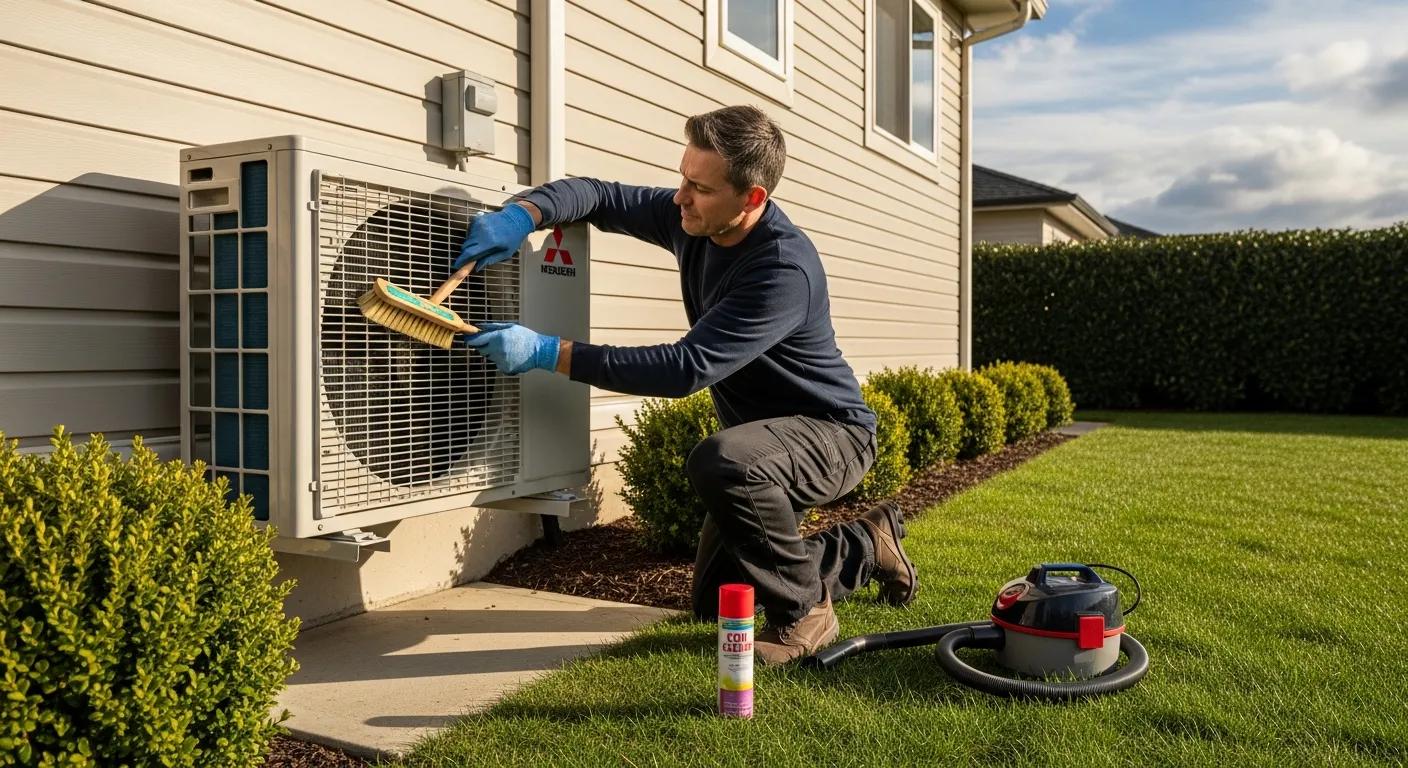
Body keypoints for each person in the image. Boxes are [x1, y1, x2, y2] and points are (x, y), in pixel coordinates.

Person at [457, 105, 917, 665]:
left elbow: (684, 369)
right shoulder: (693, 218)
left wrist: (546, 352)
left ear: (751, 199)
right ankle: (867, 544)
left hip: (832, 436)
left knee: (724, 461)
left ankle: (805, 614)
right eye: (683, 177)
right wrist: (523, 214)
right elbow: (598, 195)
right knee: (715, 603)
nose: (680, 197)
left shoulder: (780, 270)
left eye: (699, 188)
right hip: (764, 443)